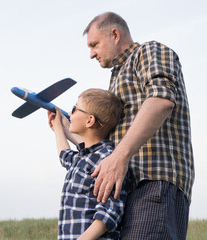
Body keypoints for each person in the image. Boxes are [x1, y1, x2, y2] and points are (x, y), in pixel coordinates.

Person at [79, 12, 195, 239]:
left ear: (114, 34)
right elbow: (107, 141)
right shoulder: (117, 77)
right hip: (126, 191)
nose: (91, 54)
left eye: (94, 44)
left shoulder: (149, 51)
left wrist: (119, 157)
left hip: (153, 184)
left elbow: (161, 101)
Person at [48, 88, 130, 240]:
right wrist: (58, 128)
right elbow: (65, 156)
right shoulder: (83, 158)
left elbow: (109, 213)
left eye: (75, 109)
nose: (71, 114)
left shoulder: (107, 161)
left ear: (90, 120)